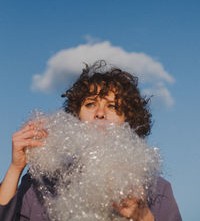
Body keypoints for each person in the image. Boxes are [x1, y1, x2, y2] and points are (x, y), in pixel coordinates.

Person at [0, 61, 182, 221]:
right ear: (76, 116)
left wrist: (142, 216)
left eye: (112, 106)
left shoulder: (157, 189)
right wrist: (16, 168)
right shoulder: (40, 182)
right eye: (90, 104)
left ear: (129, 121)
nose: (100, 113)